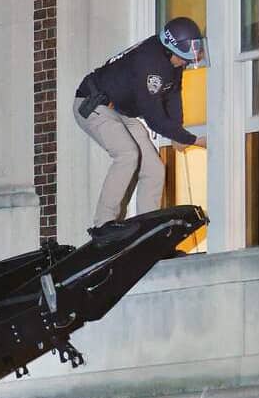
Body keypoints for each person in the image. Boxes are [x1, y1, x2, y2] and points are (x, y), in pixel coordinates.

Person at [74, 16, 210, 241]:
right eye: (183, 59)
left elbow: (173, 94)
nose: (185, 64)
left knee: (154, 168)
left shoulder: (171, 63)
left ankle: (150, 232)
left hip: (118, 112)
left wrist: (177, 131)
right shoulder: (151, 63)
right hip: (91, 103)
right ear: (170, 50)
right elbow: (155, 118)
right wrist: (193, 140)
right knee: (128, 153)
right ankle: (103, 225)